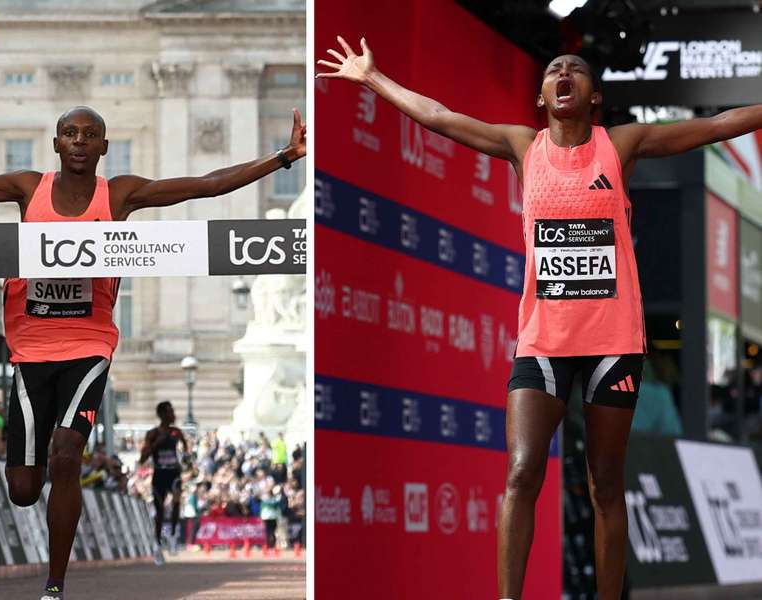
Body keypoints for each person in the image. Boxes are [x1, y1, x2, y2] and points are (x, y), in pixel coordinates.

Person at [318, 36, 762, 600]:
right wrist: (374, 78)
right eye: (555, 68)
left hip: (612, 342)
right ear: (541, 95)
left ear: (593, 96)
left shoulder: (620, 145)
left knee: (606, 484)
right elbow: (439, 117)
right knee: (523, 470)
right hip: (542, 343)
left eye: (576, 68)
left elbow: (719, 125)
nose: (565, 73)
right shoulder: (520, 145)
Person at [0, 105, 305, 600]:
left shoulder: (119, 194)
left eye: (89, 135)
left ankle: (55, 583)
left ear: (103, 147)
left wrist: (284, 157)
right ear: (55, 144)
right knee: (23, 490)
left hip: (90, 344)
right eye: (69, 133)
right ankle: (47, 488)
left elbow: (205, 184)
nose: (78, 141)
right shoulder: (29, 188)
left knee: (67, 455)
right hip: (30, 350)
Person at [139, 400, 189, 563]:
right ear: (161, 415)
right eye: (169, 411)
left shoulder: (177, 432)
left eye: (172, 411)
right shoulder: (152, 434)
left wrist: (187, 459)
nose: (172, 414)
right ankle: (158, 545)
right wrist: (155, 445)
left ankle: (173, 535)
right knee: (159, 512)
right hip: (159, 475)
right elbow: (143, 458)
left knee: (176, 503)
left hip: (174, 473)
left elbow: (186, 450)